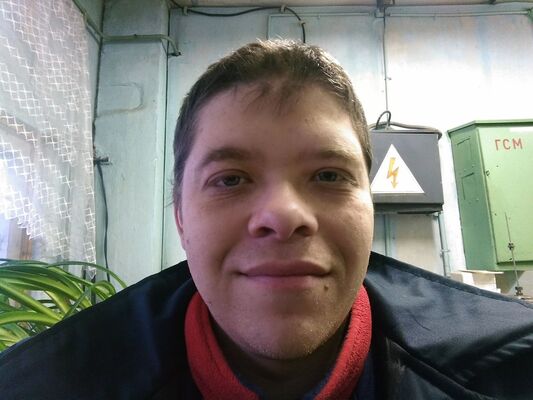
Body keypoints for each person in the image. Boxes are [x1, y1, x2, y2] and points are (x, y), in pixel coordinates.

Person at [1, 39, 533, 400]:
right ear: (180, 216)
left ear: (369, 205)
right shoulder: (41, 385)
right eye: (231, 179)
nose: (283, 216)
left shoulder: (515, 368)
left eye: (328, 175)